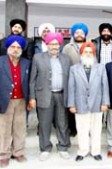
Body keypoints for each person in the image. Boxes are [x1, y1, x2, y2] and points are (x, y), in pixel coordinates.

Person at [0, 35, 31, 168]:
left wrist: (30, 99)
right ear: (8, 47)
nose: (15, 49)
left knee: (20, 128)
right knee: (3, 129)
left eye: (18, 47)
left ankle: (18, 152)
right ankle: (3, 155)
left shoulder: (26, 63)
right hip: (3, 100)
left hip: (21, 100)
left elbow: (29, 82)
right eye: (13, 46)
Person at [29, 32, 71, 161]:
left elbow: (70, 78)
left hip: (62, 95)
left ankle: (63, 146)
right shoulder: (37, 57)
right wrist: (32, 97)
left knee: (62, 123)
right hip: (44, 95)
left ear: (60, 45)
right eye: (51, 44)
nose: (54, 46)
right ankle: (45, 148)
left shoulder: (66, 58)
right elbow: (32, 79)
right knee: (44, 123)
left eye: (56, 44)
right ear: (46, 44)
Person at [68, 42, 110, 162]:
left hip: (97, 103)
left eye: (90, 52)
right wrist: (71, 104)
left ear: (94, 54)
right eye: (85, 52)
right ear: (81, 53)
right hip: (80, 103)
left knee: (96, 129)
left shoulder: (101, 67)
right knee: (82, 129)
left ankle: (96, 151)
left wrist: (105, 103)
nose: (88, 54)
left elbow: (105, 86)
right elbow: (71, 87)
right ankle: (83, 151)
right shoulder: (74, 69)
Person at [63, 22, 89, 137]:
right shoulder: (67, 47)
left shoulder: (90, 46)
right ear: (73, 34)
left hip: (87, 80)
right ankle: (72, 129)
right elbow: (63, 62)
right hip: (71, 79)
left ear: (85, 34)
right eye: (77, 32)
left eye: (81, 33)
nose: (79, 35)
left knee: (86, 105)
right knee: (72, 105)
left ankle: (86, 129)